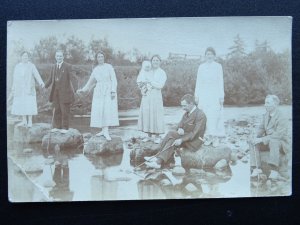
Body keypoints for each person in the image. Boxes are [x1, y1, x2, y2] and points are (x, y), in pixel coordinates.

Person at [145, 94, 206, 169]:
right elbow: (179, 125)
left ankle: (157, 157)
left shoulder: (200, 115)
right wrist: (180, 128)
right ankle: (158, 162)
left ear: (191, 104)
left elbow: (194, 134)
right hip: (186, 138)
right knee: (172, 139)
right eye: (182, 106)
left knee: (171, 134)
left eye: (184, 106)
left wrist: (181, 139)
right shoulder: (186, 113)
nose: (183, 108)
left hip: (194, 141)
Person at [77, 51, 119, 141]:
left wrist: (113, 91)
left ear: (104, 58)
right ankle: (103, 130)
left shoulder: (109, 67)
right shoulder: (95, 69)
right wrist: (83, 89)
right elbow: (90, 82)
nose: (100, 58)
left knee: (107, 109)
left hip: (108, 90)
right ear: (96, 59)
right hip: (99, 91)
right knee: (100, 110)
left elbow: (114, 80)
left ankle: (106, 131)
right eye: (98, 57)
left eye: (102, 56)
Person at [250, 95, 290, 180]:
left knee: (273, 141)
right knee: (253, 142)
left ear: (275, 104)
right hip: (269, 141)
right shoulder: (266, 115)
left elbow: (277, 135)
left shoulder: (282, 117)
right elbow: (261, 128)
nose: (265, 105)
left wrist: (261, 139)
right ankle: (257, 168)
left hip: (281, 143)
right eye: (265, 102)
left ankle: (274, 171)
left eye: (267, 103)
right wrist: (256, 137)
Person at [194, 47, 225, 147]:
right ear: (205, 56)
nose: (209, 56)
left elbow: (220, 82)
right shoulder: (201, 67)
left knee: (214, 116)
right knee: (205, 116)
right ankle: (208, 137)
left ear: (214, 56)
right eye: (207, 54)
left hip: (214, 94)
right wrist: (196, 95)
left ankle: (215, 138)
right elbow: (198, 82)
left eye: (211, 54)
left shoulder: (218, 66)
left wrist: (221, 96)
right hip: (203, 94)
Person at [137, 55, 167, 144]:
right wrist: (142, 89)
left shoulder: (162, 72)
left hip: (156, 95)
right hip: (147, 95)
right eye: (154, 60)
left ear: (160, 61)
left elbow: (160, 85)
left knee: (156, 114)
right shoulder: (147, 70)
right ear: (151, 61)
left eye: (157, 60)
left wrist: (150, 81)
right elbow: (140, 81)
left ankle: (158, 136)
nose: (155, 62)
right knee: (147, 114)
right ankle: (149, 136)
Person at [10, 51, 45, 127]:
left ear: (28, 58)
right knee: (22, 104)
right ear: (21, 57)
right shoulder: (17, 66)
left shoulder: (31, 66)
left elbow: (36, 75)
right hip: (20, 89)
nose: (25, 57)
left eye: (26, 56)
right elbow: (14, 78)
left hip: (29, 88)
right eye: (23, 56)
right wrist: (13, 88)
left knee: (30, 104)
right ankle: (24, 120)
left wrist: (41, 82)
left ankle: (30, 121)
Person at [44, 50, 75, 133]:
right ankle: (57, 127)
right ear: (55, 57)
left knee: (65, 110)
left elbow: (73, 78)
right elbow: (50, 79)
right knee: (57, 109)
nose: (59, 57)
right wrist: (44, 86)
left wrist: (75, 89)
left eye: (60, 56)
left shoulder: (68, 66)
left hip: (65, 92)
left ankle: (65, 128)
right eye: (57, 56)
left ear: (63, 57)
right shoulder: (54, 66)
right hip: (56, 92)